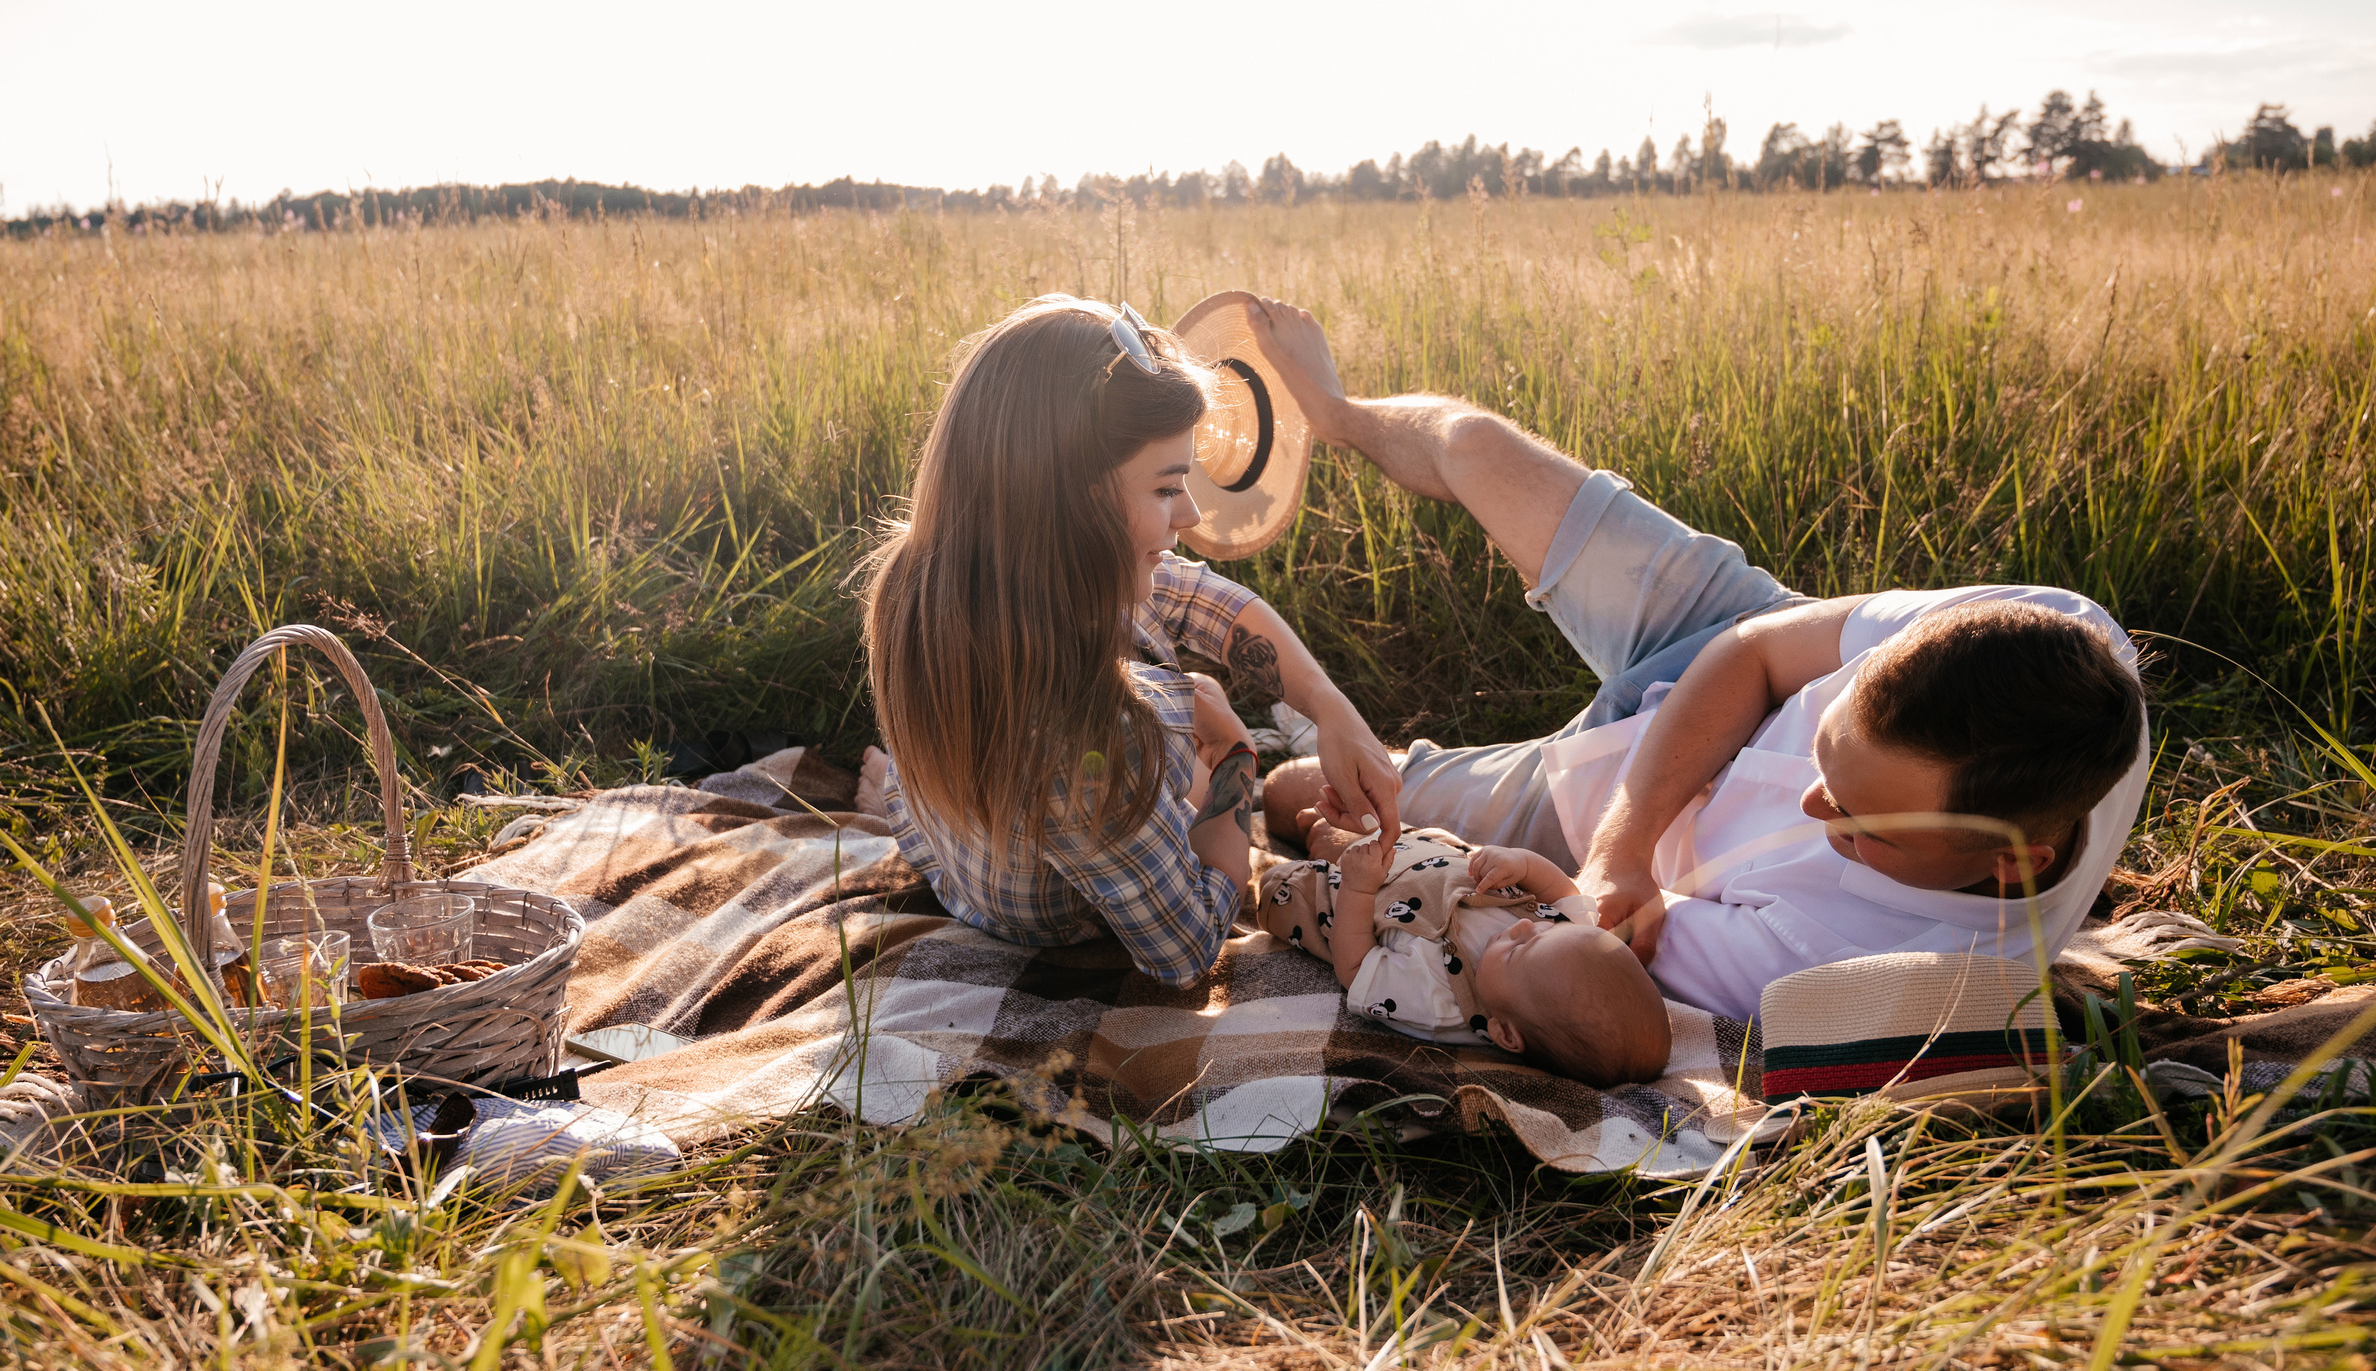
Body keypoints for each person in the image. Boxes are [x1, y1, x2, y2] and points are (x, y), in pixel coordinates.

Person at [1247, 297, 2150, 1025]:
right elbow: (1759, 648)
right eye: (1829, 751)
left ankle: (1354, 754)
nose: (1809, 795)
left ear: (2008, 864)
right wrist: (1622, 851)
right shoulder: (2049, 632)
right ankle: (1336, 412)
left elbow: (1594, 956)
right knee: (1478, 446)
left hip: (1594, 797)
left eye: (1858, 819)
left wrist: (1606, 867)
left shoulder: (1878, 968)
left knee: (1305, 794)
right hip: (1723, 647)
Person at [856, 295, 1403, 990]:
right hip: (1058, 915)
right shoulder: (1094, 746)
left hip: (962, 840)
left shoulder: (938, 575)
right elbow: (1188, 948)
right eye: (1168, 488)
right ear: (1072, 505)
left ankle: (892, 790)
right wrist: (1234, 759)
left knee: (1180, 706)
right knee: (1191, 763)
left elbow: (1208, 602)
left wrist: (1333, 711)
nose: (1194, 514)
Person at [1251, 823, 1672, 1085]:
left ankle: (1296, 858)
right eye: (1542, 928)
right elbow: (1565, 893)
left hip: (1345, 899)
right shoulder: (1566, 943)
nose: (1524, 925)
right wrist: (1522, 866)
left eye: (1517, 949)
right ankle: (1318, 829)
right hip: (1427, 856)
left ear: (1504, 1033)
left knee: (1274, 887)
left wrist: (1359, 887)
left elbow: (1355, 966)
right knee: (1330, 830)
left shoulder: (1439, 1002)